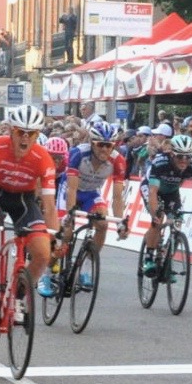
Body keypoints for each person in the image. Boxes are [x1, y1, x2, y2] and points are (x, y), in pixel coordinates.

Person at [0, 105, 59, 333]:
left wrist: (54, 236)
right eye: (20, 132)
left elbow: (49, 205)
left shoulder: (43, 159)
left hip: (24, 201)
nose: (25, 138)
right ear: (11, 131)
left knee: (43, 253)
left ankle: (18, 296)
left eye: (32, 134)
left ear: (38, 135)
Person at [38, 123, 127, 297]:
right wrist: (69, 216)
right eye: (100, 144)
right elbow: (71, 189)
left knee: (102, 224)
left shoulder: (118, 161)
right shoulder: (78, 153)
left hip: (91, 193)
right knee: (65, 235)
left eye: (109, 145)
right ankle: (46, 275)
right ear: (92, 143)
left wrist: (121, 222)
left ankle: (86, 267)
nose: (104, 149)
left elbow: (117, 196)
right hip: (70, 190)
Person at [139, 135, 192, 276]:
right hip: (152, 188)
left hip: (172, 191)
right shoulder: (160, 162)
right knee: (158, 219)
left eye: (187, 157)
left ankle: (167, 262)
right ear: (171, 153)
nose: (184, 161)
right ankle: (149, 257)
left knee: (178, 221)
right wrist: (154, 214)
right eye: (179, 157)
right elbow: (153, 192)